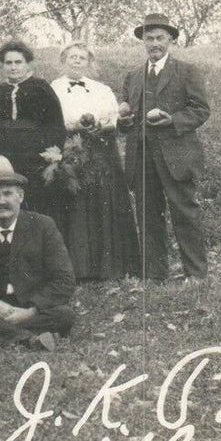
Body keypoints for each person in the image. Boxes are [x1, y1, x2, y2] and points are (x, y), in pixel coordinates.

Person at [121, 13, 211, 282]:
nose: (154, 43)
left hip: (177, 156)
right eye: (149, 38)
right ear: (143, 42)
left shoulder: (186, 71)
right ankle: (154, 274)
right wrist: (123, 120)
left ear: (171, 40)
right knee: (148, 217)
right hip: (142, 156)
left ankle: (195, 274)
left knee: (185, 213)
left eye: (160, 38)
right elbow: (128, 120)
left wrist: (172, 120)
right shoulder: (133, 76)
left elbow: (201, 110)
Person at [0, 171, 75, 351]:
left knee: (65, 315)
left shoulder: (43, 226)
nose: (1, 201)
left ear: (20, 196)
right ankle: (29, 339)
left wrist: (29, 312)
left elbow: (64, 280)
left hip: (30, 305)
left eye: (8, 194)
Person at [50, 43, 142, 281]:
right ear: (63, 60)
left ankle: (108, 267)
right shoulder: (53, 88)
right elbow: (50, 122)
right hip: (71, 149)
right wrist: (73, 127)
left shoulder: (101, 89)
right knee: (74, 203)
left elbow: (115, 121)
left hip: (102, 150)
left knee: (104, 203)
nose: (77, 61)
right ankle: (77, 269)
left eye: (82, 58)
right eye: (72, 57)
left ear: (89, 62)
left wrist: (102, 126)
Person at [0, 39, 67, 229]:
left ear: (27, 63)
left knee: (35, 208)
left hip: (35, 159)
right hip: (4, 158)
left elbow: (57, 125)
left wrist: (54, 159)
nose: (13, 67)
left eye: (18, 62)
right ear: (2, 65)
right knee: (6, 202)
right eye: (8, 63)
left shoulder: (41, 88)